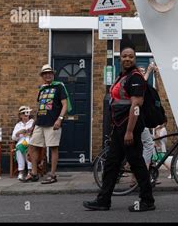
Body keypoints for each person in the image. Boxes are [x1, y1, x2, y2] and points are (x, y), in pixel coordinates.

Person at [83, 46, 155, 212]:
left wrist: (129, 131)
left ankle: (147, 200)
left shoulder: (136, 77)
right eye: (124, 56)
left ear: (134, 59)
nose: (127, 59)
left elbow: (136, 105)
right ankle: (103, 200)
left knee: (136, 164)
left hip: (129, 128)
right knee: (111, 164)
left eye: (130, 56)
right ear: (120, 59)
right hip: (119, 128)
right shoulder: (123, 76)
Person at [24, 64, 69, 184]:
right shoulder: (42, 89)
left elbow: (64, 104)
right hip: (40, 123)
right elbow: (40, 106)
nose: (48, 75)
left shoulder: (59, 86)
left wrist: (59, 119)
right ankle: (34, 173)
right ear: (42, 76)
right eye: (45, 73)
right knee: (33, 146)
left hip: (53, 123)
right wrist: (34, 123)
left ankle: (53, 175)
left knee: (53, 148)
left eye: (50, 73)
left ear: (53, 75)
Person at [11, 106, 34, 181]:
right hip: (21, 142)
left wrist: (30, 133)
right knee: (19, 148)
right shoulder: (18, 125)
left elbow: (37, 134)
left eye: (27, 115)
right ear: (20, 115)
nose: (25, 116)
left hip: (31, 142)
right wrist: (18, 133)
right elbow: (13, 138)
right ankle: (21, 171)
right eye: (24, 115)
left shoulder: (32, 122)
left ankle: (30, 171)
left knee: (29, 149)